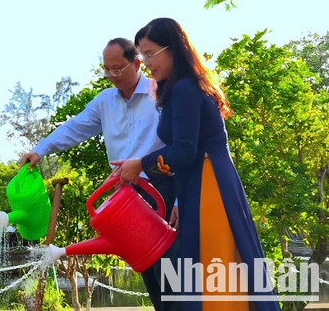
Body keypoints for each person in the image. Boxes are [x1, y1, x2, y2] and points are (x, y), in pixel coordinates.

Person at [111, 18, 279, 310]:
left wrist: (140, 165)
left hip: (209, 185)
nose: (147, 63)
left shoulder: (186, 89)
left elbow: (185, 151)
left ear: (173, 48)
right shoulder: (182, 87)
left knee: (215, 265)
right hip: (200, 182)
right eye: (142, 56)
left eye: (150, 54)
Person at [21, 37, 178, 311]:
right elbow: (75, 128)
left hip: (162, 189)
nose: (112, 76)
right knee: (149, 272)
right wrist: (40, 150)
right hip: (127, 199)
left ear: (137, 63)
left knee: (173, 273)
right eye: (107, 69)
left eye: (118, 69)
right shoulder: (105, 101)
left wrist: (180, 200)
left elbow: (185, 147)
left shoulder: (161, 94)